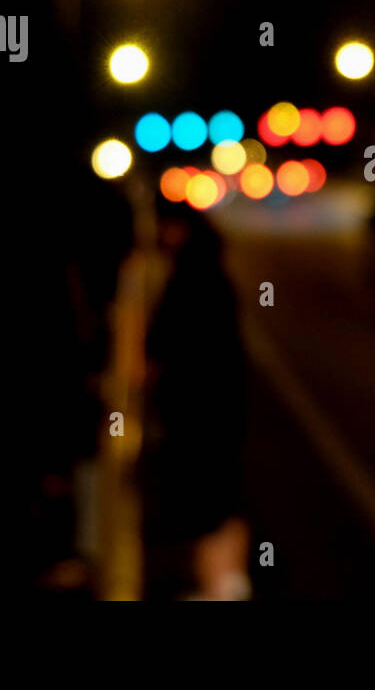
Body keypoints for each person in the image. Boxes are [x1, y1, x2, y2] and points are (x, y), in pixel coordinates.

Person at [140, 195, 252, 600]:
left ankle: (221, 588)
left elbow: (162, 343)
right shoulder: (212, 274)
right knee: (224, 500)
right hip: (223, 410)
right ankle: (228, 585)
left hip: (199, 413)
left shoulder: (191, 278)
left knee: (207, 505)